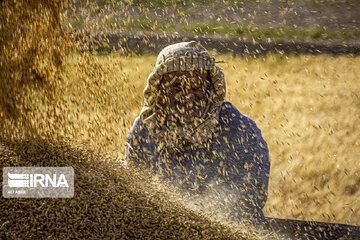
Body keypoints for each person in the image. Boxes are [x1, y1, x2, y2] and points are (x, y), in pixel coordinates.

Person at [125, 41, 270, 227]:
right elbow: (134, 193)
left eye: (196, 86)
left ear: (211, 87)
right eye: (177, 86)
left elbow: (249, 201)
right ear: (160, 89)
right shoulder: (146, 129)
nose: (188, 96)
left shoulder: (239, 130)